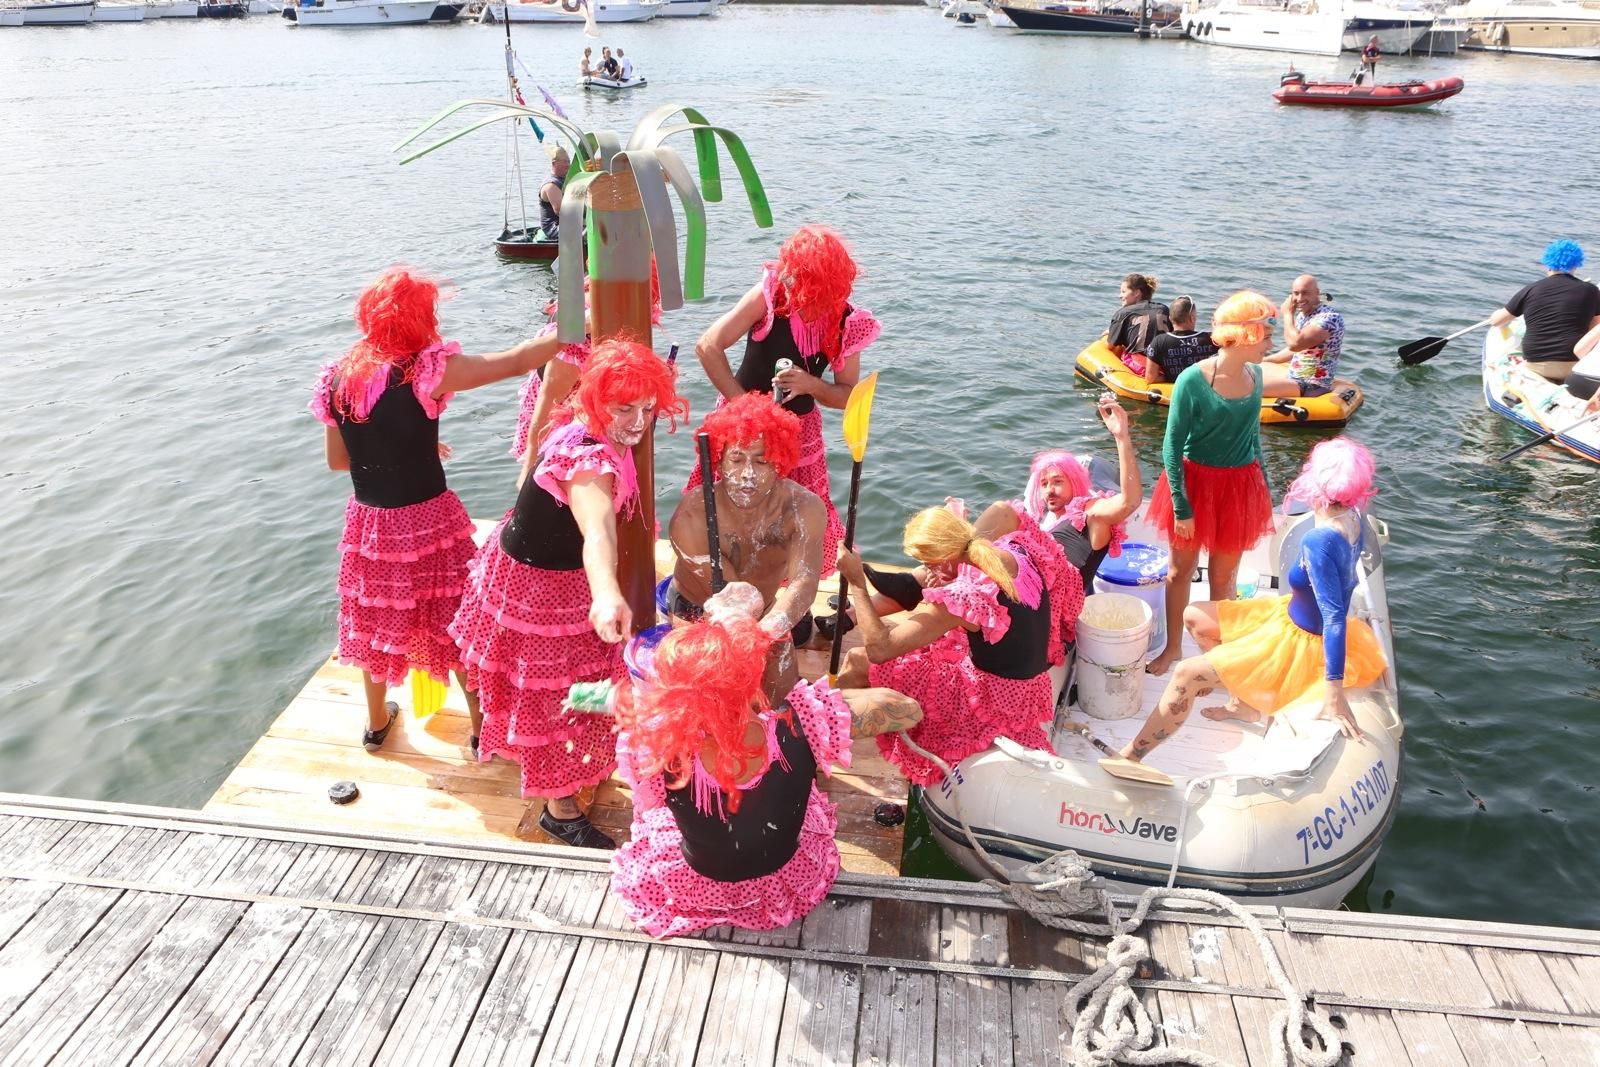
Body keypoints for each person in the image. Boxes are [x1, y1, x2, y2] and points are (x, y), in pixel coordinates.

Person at [449, 339, 688, 849]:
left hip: (547, 570)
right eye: (625, 408)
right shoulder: (588, 462)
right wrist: (605, 592)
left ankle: (575, 763)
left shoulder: (584, 426)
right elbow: (597, 528)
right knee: (551, 695)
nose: (639, 421)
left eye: (648, 408)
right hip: (537, 587)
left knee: (587, 681)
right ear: (597, 400)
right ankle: (558, 810)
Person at [310, 268, 552, 755]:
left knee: (375, 624)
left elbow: (339, 461)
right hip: (428, 520)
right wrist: (576, 328)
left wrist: (402, 448)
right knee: (456, 615)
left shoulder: (339, 377)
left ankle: (376, 724)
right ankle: (481, 726)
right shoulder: (427, 369)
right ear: (421, 317)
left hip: (371, 524)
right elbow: (517, 361)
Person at [610, 598, 923, 939]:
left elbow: (649, 805)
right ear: (751, 677)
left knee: (651, 819)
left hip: (696, 884)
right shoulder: (807, 718)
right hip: (786, 877)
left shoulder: (653, 745)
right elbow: (907, 710)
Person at [1119, 438, 1387, 766]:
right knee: (1195, 616)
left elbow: (1333, 618)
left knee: (1186, 674)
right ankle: (1242, 705)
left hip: (1301, 642)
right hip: (1286, 616)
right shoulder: (1353, 516)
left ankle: (1130, 757)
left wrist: (1333, 694)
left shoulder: (1320, 540)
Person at [833, 505, 1084, 786]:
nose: (926, 570)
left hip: (988, 701)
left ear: (943, 559)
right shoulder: (1018, 550)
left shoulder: (965, 597)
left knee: (858, 659)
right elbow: (1006, 510)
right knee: (922, 642)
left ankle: (824, 736)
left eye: (927, 563)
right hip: (1026, 693)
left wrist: (856, 582)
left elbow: (880, 650)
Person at [691, 225, 881, 575]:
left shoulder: (846, 321)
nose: (793, 285)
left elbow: (847, 396)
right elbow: (708, 346)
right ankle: (722, 584)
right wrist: (746, 408)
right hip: (743, 427)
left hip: (799, 433)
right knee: (731, 511)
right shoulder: (770, 295)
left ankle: (790, 594)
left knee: (795, 520)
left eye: (806, 281)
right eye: (792, 276)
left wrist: (811, 384)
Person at [1145, 291, 1277, 676]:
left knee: (1224, 578)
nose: (1271, 342)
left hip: (1239, 486)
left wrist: (1264, 489)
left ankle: (1221, 657)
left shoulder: (1256, 376)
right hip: (1195, 485)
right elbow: (1171, 445)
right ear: (1247, 335)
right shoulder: (1192, 380)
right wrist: (1181, 506)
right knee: (1180, 571)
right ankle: (1172, 648)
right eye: (1266, 334)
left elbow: (1253, 438)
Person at [669, 392, 827, 696]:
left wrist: (771, 628)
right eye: (737, 459)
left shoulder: (802, 509)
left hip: (767, 613)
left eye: (761, 460)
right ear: (719, 459)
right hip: (699, 607)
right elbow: (731, 594)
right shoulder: (693, 513)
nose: (747, 474)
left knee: (782, 698)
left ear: (780, 462)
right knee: (708, 697)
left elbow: (804, 579)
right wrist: (746, 635)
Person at [1016, 395, 1141, 590]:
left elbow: (1129, 502)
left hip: (1063, 607)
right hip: (1031, 593)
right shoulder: (1042, 517)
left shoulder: (1089, 516)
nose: (1050, 490)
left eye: (1058, 482)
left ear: (1074, 483)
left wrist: (1121, 438)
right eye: (1044, 483)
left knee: (1001, 512)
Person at [1488, 239, 1600, 384]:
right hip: (1575, 366)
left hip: (1536, 364)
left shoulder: (1532, 289)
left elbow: (1497, 321)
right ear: (1576, 265)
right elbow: (1595, 327)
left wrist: (1494, 315)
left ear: (1548, 264)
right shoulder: (1591, 290)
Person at [1261, 275, 1345, 399]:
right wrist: (1265, 360)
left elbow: (1295, 344)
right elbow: (1295, 350)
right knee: (1250, 369)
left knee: (1243, 386)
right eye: (1296, 293)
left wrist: (1288, 314)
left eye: (1305, 293)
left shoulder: (1328, 318)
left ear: (1317, 293)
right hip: (1294, 379)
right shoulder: (1304, 314)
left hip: (1310, 385)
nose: (1299, 298)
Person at [1106, 273, 1173, 376]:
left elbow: (1110, 346)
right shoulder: (1164, 309)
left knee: (1119, 348)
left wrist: (1110, 333)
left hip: (1140, 365)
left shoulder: (1122, 313)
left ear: (1137, 293)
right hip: (1164, 365)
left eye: (1123, 292)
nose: (1120, 296)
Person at [1143, 296, 1218, 385]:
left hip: (1174, 390)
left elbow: (1151, 378)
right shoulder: (1212, 339)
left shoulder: (1158, 342)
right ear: (1192, 318)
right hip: (1205, 386)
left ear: (1170, 319)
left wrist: (1171, 376)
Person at [539, 145, 569, 242]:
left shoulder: (565, 179)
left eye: (568, 161)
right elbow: (561, 212)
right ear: (554, 163)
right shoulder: (551, 185)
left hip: (564, 222)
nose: (568, 165)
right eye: (564, 162)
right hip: (553, 227)